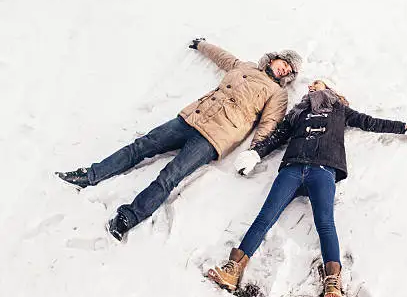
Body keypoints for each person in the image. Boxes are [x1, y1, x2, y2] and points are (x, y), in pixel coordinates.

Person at [56, 38, 303, 241]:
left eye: (289, 70)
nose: (285, 69)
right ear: (274, 58)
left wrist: (254, 153)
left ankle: (128, 218)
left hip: (214, 137)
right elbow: (223, 57)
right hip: (191, 118)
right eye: (284, 63)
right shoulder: (245, 67)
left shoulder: (277, 93)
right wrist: (202, 45)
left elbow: (269, 123)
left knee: (170, 176)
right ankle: (90, 175)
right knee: (140, 146)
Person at [207, 79, 407, 297]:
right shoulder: (298, 113)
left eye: (317, 83)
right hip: (292, 169)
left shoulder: (339, 110)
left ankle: (332, 284)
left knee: (325, 223)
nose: (312, 86)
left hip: (323, 169)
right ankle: (233, 270)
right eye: (310, 85)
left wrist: (403, 127)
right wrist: (255, 153)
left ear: (329, 88)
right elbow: (276, 137)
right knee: (265, 216)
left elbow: (369, 122)